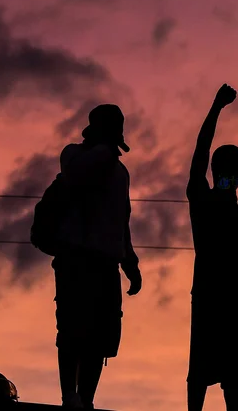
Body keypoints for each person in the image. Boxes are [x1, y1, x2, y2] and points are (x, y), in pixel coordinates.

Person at [54, 103, 142, 409]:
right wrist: (104, 149)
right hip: (75, 259)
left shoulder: (120, 172)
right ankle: (70, 397)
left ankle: (86, 400)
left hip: (106, 262)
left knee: (99, 338)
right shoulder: (73, 155)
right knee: (71, 330)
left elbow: (122, 220)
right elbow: (77, 175)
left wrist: (129, 261)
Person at [186, 84, 238, 411]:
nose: (237, 177)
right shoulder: (203, 200)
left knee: (232, 373)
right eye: (234, 171)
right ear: (227, 173)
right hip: (210, 295)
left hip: (233, 300)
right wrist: (217, 106)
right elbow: (200, 150)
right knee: (203, 368)